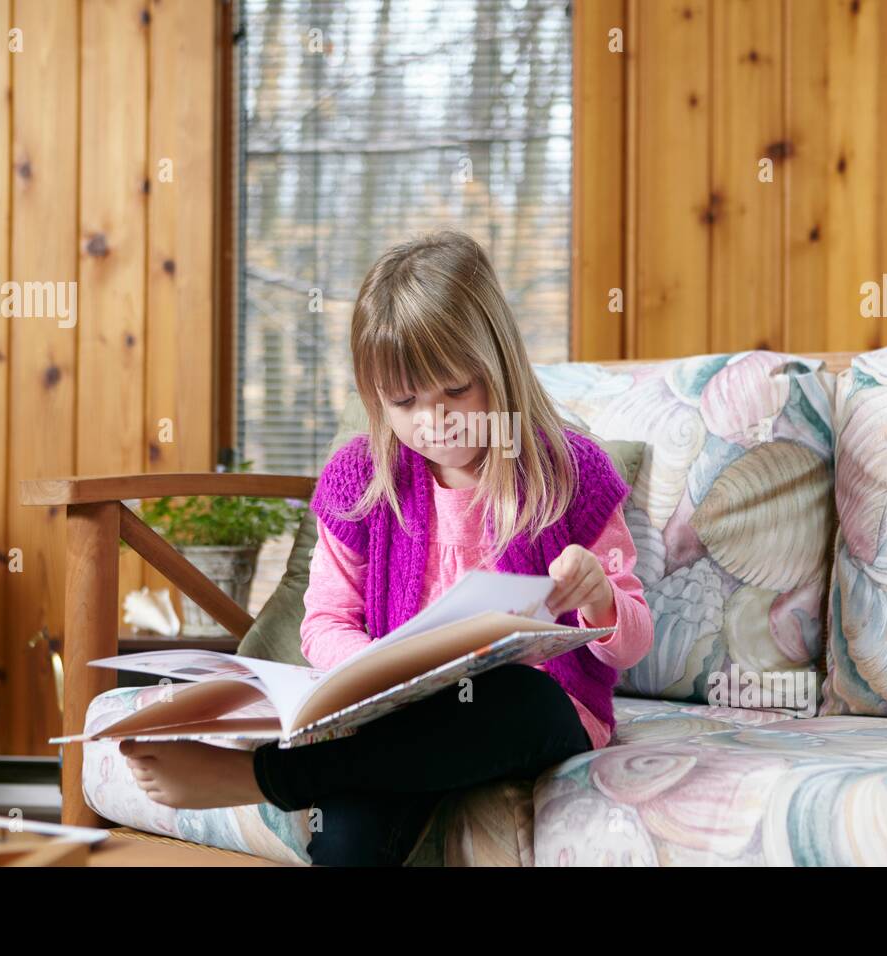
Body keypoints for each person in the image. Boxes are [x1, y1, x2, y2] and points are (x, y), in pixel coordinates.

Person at [121, 229, 653, 865]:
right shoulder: (362, 480)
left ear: (500, 367)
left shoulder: (571, 474)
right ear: (376, 399)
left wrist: (599, 601)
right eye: (405, 402)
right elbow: (324, 622)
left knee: (516, 694)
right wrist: (376, 673)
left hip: (538, 709)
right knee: (350, 831)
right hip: (399, 721)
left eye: (457, 391)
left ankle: (264, 778)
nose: (435, 420)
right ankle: (319, 771)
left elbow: (633, 639)